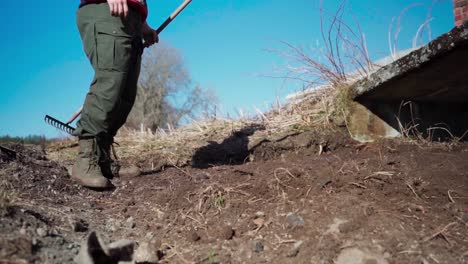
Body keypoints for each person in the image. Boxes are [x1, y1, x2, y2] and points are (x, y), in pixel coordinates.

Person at [72, 0, 159, 189]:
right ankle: (86, 159)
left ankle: (102, 159)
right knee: (110, 85)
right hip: (106, 11)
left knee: (125, 94)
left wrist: (142, 24)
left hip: (131, 17)